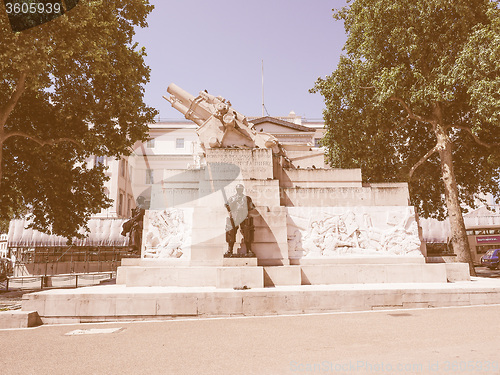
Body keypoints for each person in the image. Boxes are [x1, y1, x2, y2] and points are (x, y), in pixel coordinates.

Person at [224, 184, 256, 257]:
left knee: (247, 232)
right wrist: (233, 203)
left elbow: (252, 207)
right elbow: (227, 206)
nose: (240, 190)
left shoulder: (247, 198)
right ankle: (230, 249)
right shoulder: (232, 198)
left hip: (244, 216)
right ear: (236, 190)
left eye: (241, 189)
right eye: (238, 189)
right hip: (235, 216)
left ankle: (249, 250)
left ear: (243, 189)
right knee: (231, 232)